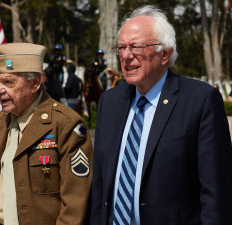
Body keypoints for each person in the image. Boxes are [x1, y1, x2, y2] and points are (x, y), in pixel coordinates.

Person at [91, 5, 232, 225]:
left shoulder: (200, 101)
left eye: (136, 46)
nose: (127, 55)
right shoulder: (110, 102)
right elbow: (100, 185)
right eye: (121, 47)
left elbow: (217, 193)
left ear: (164, 53)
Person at [0, 43, 93, 225]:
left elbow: (76, 201)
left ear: (35, 83)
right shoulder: (1, 121)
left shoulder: (65, 123)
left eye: (8, 82)